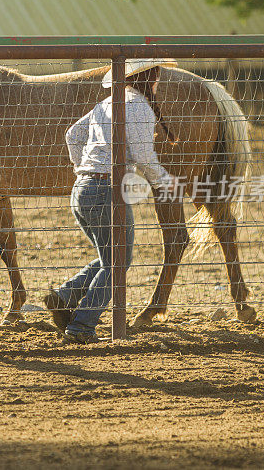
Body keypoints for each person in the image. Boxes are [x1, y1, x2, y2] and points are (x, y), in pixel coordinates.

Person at [44, 59, 179, 344]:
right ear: (150, 78)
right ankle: (82, 326)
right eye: (157, 76)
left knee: (109, 258)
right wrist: (165, 181)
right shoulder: (140, 107)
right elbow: (143, 156)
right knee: (117, 263)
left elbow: (72, 135)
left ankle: (65, 295)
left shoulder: (107, 103)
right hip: (107, 192)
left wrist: (83, 167)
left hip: (82, 189)